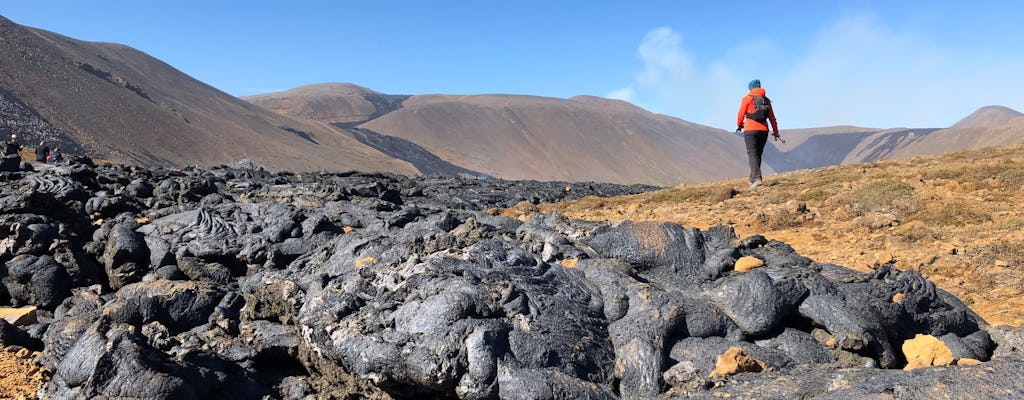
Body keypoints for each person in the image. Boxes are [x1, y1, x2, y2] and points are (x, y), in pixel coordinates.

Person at [736, 79, 780, 191]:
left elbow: (740, 114)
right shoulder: (766, 100)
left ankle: (756, 179)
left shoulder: (747, 99)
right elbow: (772, 118)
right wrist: (776, 132)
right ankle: (752, 179)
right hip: (764, 130)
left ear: (750, 88)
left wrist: (740, 124)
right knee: (758, 154)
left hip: (751, 129)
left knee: (752, 154)